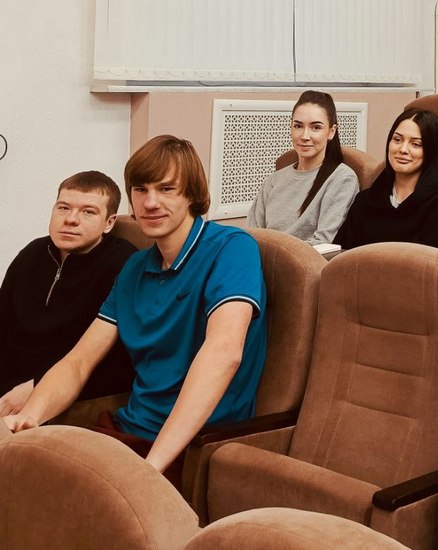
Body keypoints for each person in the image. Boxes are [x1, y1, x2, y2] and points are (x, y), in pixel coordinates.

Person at [3, 135, 268, 490]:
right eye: (140, 190)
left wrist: (149, 470)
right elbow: (79, 362)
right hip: (127, 431)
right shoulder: (134, 267)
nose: (150, 202)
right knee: (23, 478)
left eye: (166, 189)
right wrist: (27, 419)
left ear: (192, 194)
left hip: (191, 445)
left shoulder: (232, 248)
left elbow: (224, 355)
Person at [0, 171, 136, 415]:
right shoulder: (33, 253)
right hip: (9, 383)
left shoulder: (124, 263)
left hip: (69, 394)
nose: (71, 219)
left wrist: (38, 387)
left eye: (88, 212)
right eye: (63, 208)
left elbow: (115, 360)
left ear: (109, 223)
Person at [247, 90, 359, 245]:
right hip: (261, 257)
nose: (305, 136)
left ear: (331, 132)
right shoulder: (274, 180)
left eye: (316, 127)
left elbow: (323, 242)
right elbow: (252, 235)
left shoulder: (342, 179)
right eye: (298, 126)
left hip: (305, 260)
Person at [335, 109, 438, 250]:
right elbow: (342, 252)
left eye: (416, 144)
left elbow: (432, 260)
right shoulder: (365, 200)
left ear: (431, 150)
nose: (403, 149)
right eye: (397, 140)